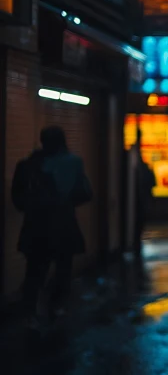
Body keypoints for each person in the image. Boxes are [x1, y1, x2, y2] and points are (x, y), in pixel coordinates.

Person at [11, 126, 92, 329]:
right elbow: (84, 193)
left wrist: (33, 206)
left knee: (35, 270)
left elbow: (18, 198)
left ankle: (30, 311)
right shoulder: (73, 163)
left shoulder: (28, 165)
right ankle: (55, 306)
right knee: (63, 268)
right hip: (64, 223)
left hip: (36, 225)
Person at [131, 130, 155, 260]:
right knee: (139, 224)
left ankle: (136, 245)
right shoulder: (143, 166)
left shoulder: (140, 166)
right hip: (142, 200)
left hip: (140, 200)